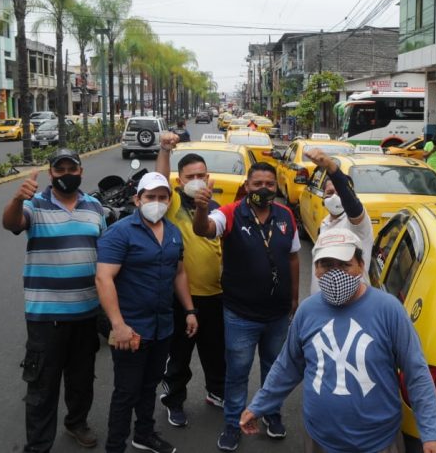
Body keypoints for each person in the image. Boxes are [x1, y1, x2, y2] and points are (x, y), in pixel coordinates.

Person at [239, 228, 436, 453]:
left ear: (361, 265)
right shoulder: (307, 312)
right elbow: (287, 366)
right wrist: (259, 405)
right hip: (319, 441)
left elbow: (416, 373)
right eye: (326, 265)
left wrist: (431, 434)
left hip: (379, 443)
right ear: (316, 269)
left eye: (344, 265)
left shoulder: (389, 310)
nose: (335, 274)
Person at [1, 149, 106, 453]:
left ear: (81, 171)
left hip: (86, 313)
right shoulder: (35, 205)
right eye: (59, 170)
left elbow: (106, 256)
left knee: (82, 378)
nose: (65, 175)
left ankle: (76, 422)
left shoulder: (95, 207)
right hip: (46, 317)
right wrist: (18, 198)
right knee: (42, 386)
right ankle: (38, 445)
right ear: (51, 174)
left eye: (70, 169)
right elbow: (11, 223)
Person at [192, 162, 300, 452]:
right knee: (237, 372)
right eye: (257, 184)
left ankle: (271, 415)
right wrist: (201, 207)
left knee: (274, 370)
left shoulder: (286, 215)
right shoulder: (230, 213)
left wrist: (294, 298)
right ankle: (232, 423)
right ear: (247, 186)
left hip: (277, 314)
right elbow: (204, 229)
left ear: (276, 187)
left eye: (270, 184)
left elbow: (292, 258)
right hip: (240, 314)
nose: (264, 189)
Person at [95, 172, 199, 453]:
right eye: (150, 197)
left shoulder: (174, 233)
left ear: (169, 200)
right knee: (126, 391)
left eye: (162, 197)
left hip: (162, 325)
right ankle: (115, 446)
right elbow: (104, 278)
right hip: (130, 327)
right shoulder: (120, 232)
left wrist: (189, 310)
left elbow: (179, 273)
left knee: (150, 384)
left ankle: (144, 434)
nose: (156, 202)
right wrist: (118, 325)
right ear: (137, 199)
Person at [155, 132, 226, 427]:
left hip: (216, 296)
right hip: (181, 298)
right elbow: (159, 179)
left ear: (207, 177)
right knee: (180, 355)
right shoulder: (170, 205)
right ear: (179, 181)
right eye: (189, 176)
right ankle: (174, 399)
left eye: (200, 175)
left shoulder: (218, 210)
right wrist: (164, 150)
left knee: (215, 351)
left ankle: (216, 391)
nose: (196, 180)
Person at [303, 148, 373, 295]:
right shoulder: (325, 224)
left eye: (338, 193)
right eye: (329, 193)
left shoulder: (357, 225)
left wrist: (331, 167)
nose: (334, 197)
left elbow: (352, 205)